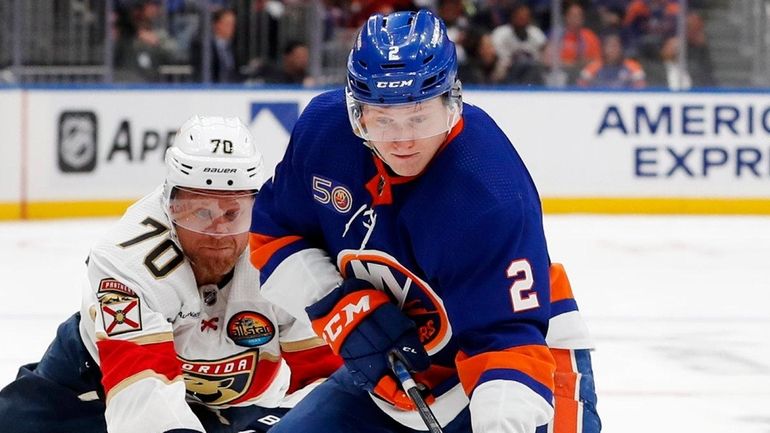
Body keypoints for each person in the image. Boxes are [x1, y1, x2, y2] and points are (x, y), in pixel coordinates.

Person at [248, 9, 600, 433]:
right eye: (381, 118)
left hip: (523, 361)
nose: (401, 140)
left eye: (419, 116)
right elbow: (273, 233)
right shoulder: (325, 132)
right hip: (393, 371)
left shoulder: (488, 191)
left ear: (452, 102)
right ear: (355, 110)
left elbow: (507, 346)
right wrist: (343, 307)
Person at [0, 116, 341, 433]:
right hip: (95, 378)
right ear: (169, 205)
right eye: (198, 212)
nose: (216, 232)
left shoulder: (288, 250)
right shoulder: (126, 260)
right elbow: (142, 393)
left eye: (233, 213)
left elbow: (330, 380)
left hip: (239, 406)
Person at [577, 33, 646, 88]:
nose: (613, 50)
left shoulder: (633, 66)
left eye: (616, 46)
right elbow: (581, 85)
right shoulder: (593, 66)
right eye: (610, 46)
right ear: (604, 49)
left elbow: (640, 87)